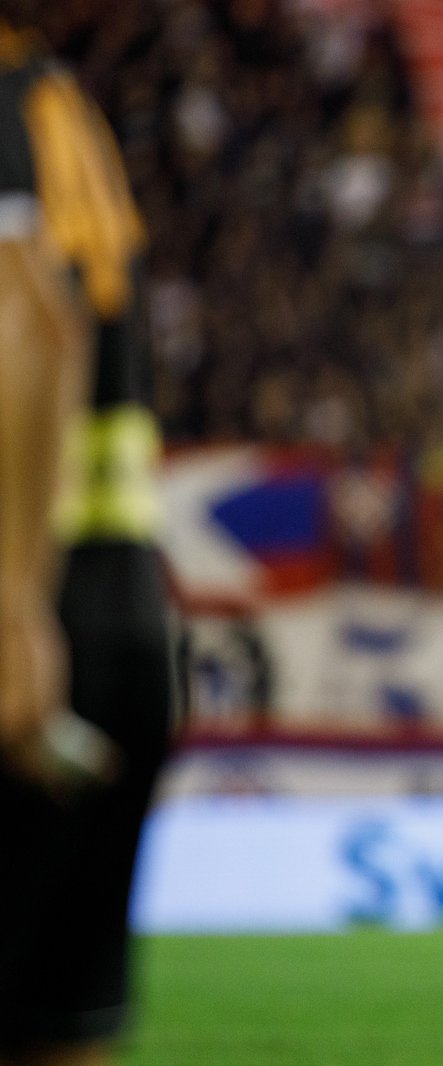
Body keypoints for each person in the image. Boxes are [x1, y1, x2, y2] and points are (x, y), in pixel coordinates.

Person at [0, 14, 171, 1066]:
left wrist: (15, 605)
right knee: (56, 1026)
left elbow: (29, 317)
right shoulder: (56, 105)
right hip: (115, 607)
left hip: (31, 611)